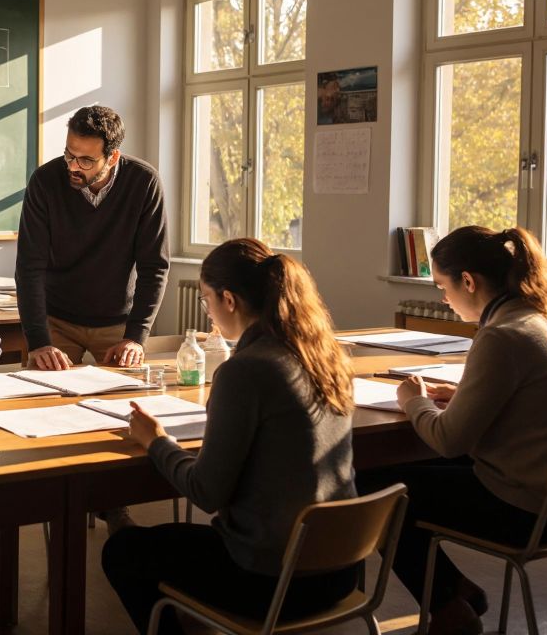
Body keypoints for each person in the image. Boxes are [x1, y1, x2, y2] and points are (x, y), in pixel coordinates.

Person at [102, 238, 358, 635]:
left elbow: (206, 492)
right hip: (340, 570)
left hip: (273, 581)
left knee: (122, 550)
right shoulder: (324, 356)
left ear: (229, 299)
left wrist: (155, 440)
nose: (207, 311)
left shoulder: (246, 371)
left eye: (206, 300)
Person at [357, 226, 547, 635]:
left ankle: (450, 610)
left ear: (468, 281)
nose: (443, 298)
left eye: (443, 286)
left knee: (378, 491)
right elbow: (529, 403)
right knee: (397, 481)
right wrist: (463, 395)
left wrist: (411, 401)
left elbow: (451, 442)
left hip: (527, 509)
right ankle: (458, 592)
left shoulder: (503, 337)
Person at [16, 104, 170, 532]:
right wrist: (39, 339)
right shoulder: (47, 181)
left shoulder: (143, 182)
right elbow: (29, 266)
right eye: (69, 154)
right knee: (44, 406)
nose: (74, 165)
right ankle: (55, 503)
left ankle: (112, 505)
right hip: (56, 316)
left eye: (85, 159)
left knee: (122, 414)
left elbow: (155, 265)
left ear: (113, 157)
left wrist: (138, 336)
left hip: (115, 320)